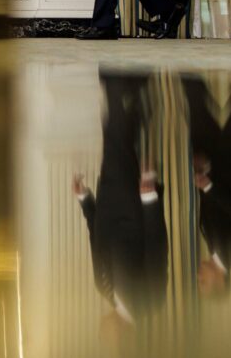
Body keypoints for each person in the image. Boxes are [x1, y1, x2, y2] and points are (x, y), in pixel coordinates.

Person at [72, 72, 168, 325]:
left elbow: (96, 237)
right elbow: (157, 247)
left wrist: (84, 199)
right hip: (131, 203)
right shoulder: (150, 302)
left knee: (118, 139)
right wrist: (150, 201)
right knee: (115, 139)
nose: (102, 334)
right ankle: (114, 77)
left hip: (106, 199)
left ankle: (134, 89)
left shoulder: (102, 289)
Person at [181, 73, 231, 297]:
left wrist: (202, 172)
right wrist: (208, 186)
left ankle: (185, 47)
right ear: (219, 282)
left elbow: (209, 202)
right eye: (203, 283)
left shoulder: (211, 243)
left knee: (194, 99)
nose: (198, 278)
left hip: (211, 159)